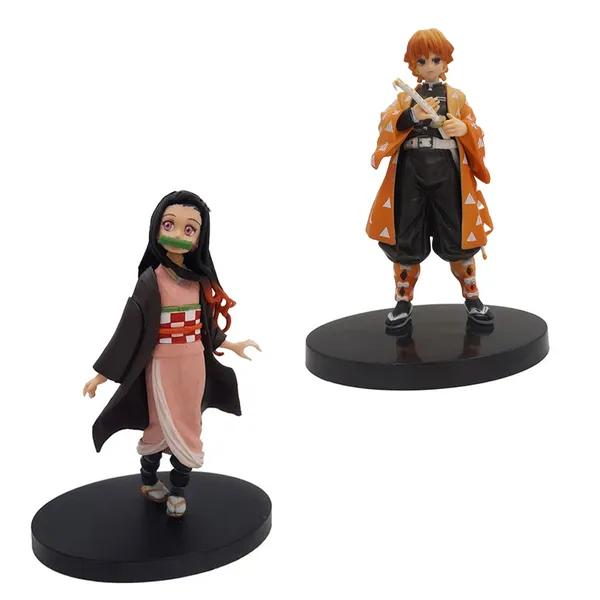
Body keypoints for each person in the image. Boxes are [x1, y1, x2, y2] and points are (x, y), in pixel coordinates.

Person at [83, 190, 259, 517]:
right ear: (156, 228)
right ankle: (149, 479)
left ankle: (178, 490)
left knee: (189, 426)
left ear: (199, 238)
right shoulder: (150, 281)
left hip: (194, 364)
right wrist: (102, 375)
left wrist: (231, 344)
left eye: (189, 229)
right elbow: (127, 332)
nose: (178, 234)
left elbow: (206, 327)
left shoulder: (200, 282)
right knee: (159, 424)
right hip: (161, 365)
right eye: (169, 224)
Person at [366, 28, 494, 331]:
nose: (430, 66)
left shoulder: (457, 97)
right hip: (411, 171)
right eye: (422, 61)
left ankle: (472, 296)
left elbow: (475, 129)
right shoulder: (404, 98)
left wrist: (464, 129)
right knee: (405, 235)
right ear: (413, 65)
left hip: (447, 172)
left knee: (458, 234)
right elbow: (386, 124)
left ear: (446, 62)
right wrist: (412, 117)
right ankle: (403, 300)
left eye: (436, 60)